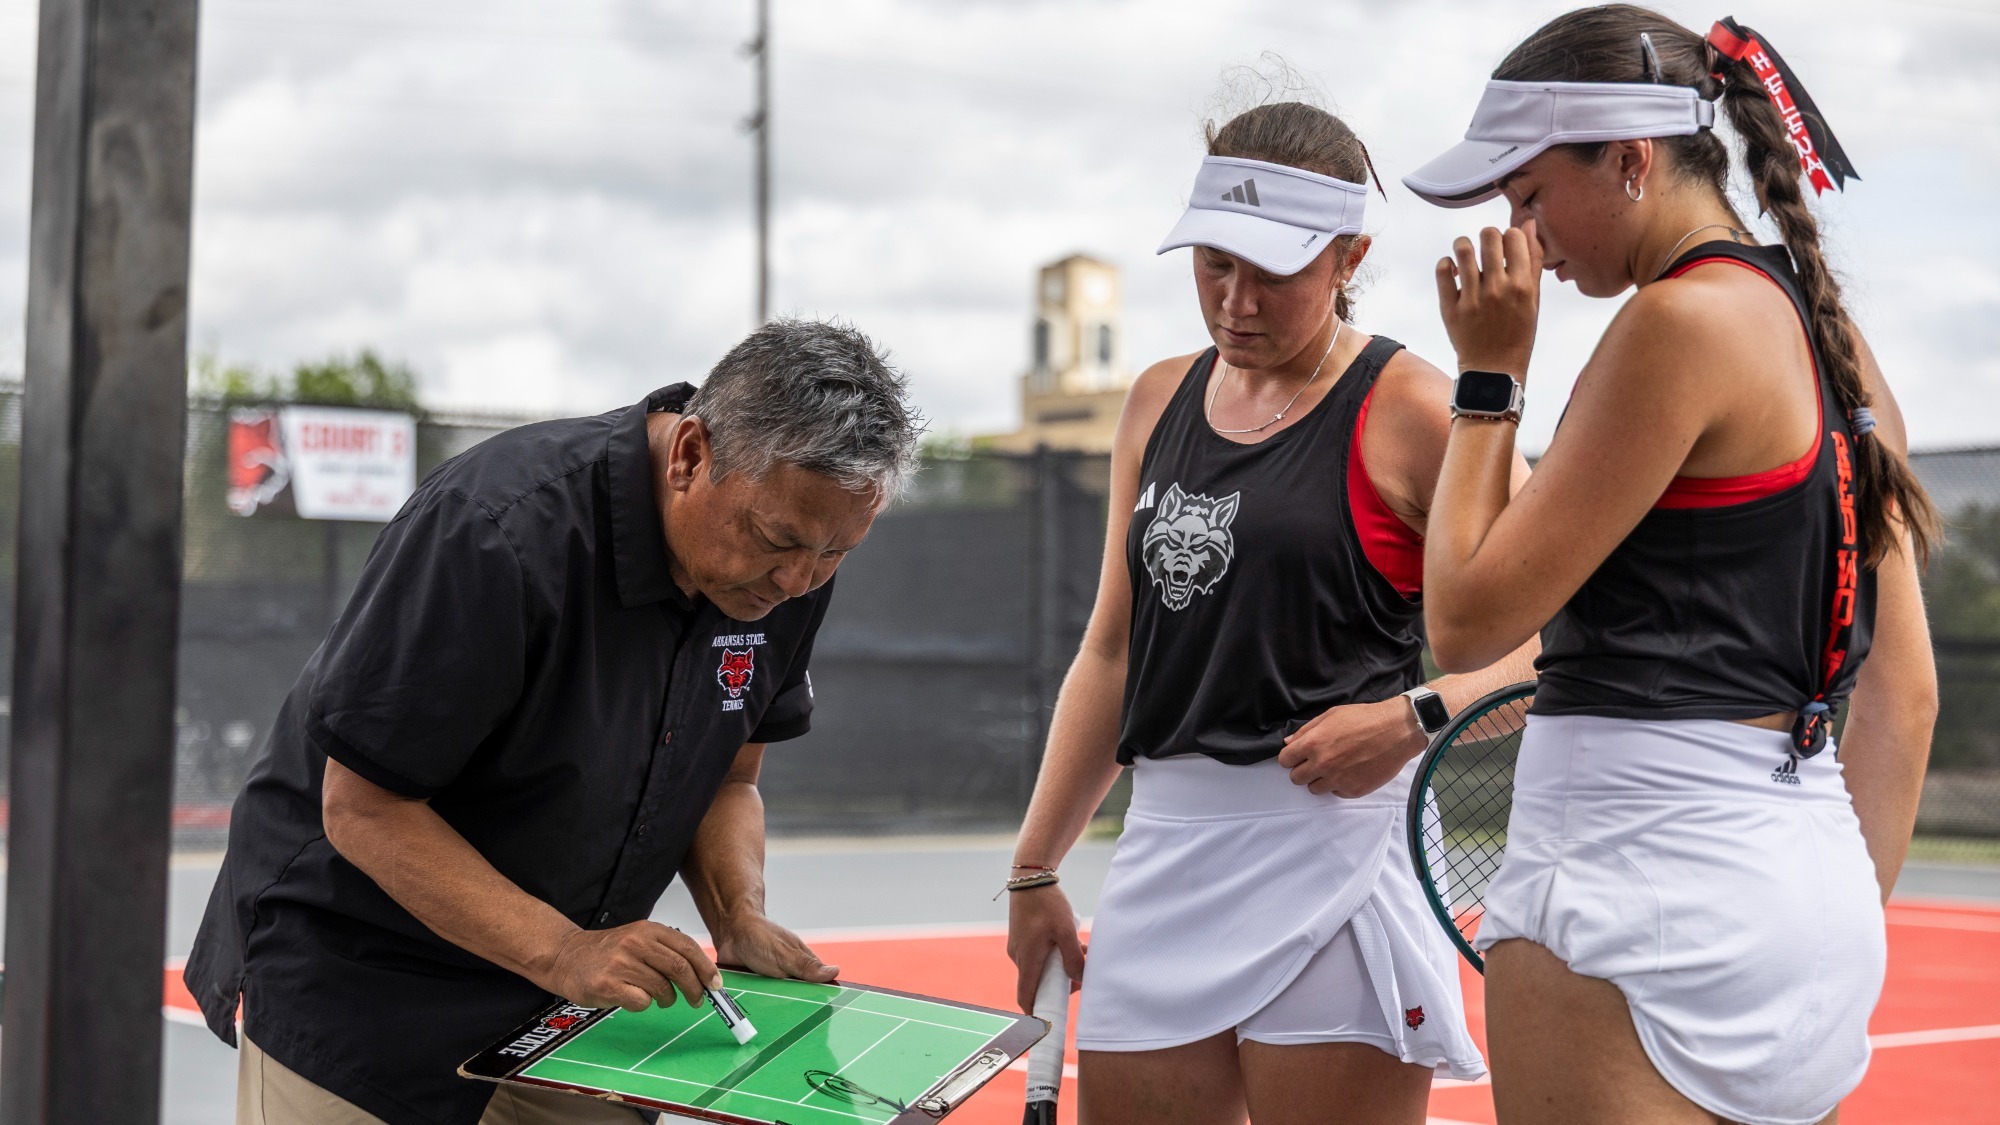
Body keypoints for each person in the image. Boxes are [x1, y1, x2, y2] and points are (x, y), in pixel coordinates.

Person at [1405, 7, 1940, 1124]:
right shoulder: (1828, 338)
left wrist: (1489, 375)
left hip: (1629, 879)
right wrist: (1817, 921)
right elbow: (1904, 699)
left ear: (1631, 160)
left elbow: (1464, 623)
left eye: (1529, 196)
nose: (1523, 238)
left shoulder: (1675, 326)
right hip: (1804, 890)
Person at [185, 319, 923, 1125]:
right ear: (690, 457)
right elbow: (361, 805)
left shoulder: (792, 561)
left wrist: (736, 914)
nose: (797, 579)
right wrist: (567, 949)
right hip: (364, 977)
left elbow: (728, 777)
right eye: (777, 540)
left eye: (835, 553)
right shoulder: (493, 526)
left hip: (570, 998)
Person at [1006, 96, 1537, 1125]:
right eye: (1214, 263)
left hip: (1337, 855)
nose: (1234, 300)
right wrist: (1033, 870)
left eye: (1272, 271)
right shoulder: (1157, 399)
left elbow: (1542, 656)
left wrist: (1407, 721)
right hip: (1163, 850)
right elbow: (1111, 655)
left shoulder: (1420, 410)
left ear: (1348, 256)